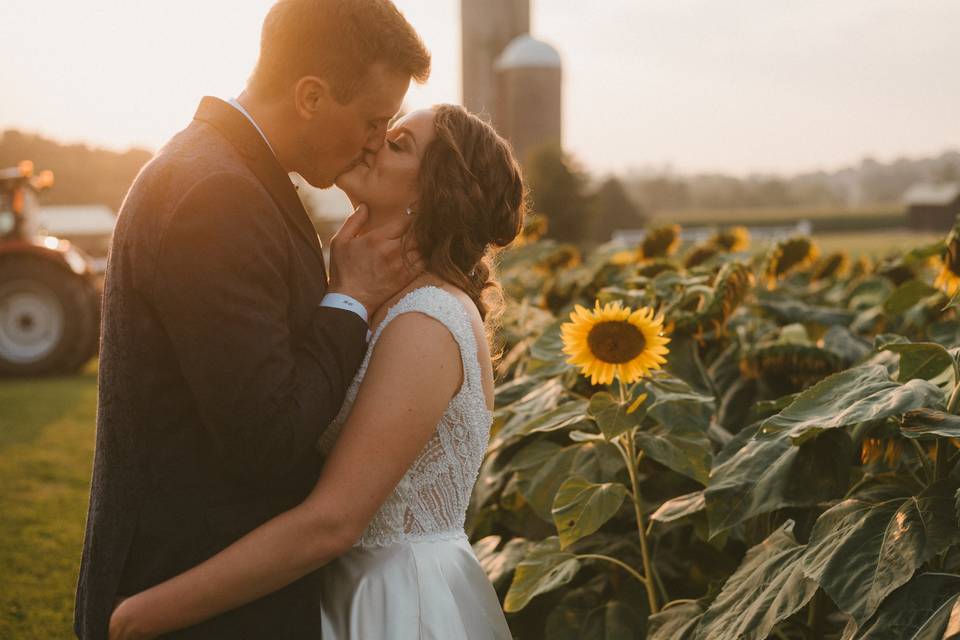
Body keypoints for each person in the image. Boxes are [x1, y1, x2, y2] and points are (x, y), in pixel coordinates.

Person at [75, 1, 431, 638]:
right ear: (312, 97)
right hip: (192, 596)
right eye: (375, 121)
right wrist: (348, 299)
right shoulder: (218, 195)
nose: (378, 141)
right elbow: (266, 438)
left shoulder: (223, 170)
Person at [108, 104, 524, 639]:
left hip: (395, 601)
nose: (374, 142)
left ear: (434, 193)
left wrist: (143, 614)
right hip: (335, 588)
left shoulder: (427, 320)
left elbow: (333, 522)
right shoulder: (371, 298)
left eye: (398, 143)